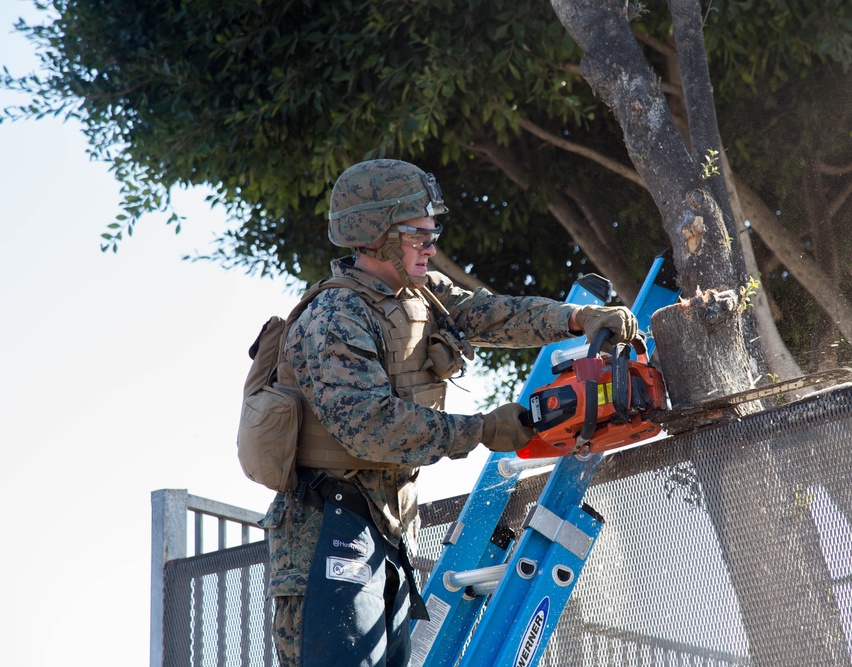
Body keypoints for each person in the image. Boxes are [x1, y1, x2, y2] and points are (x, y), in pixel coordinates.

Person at [260, 158, 637, 667]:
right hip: (325, 530)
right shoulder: (334, 317)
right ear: (376, 233)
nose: (431, 245)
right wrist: (480, 430)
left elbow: (491, 313)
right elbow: (371, 428)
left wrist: (576, 318)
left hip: (385, 529)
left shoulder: (419, 294)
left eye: (432, 231)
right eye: (418, 233)